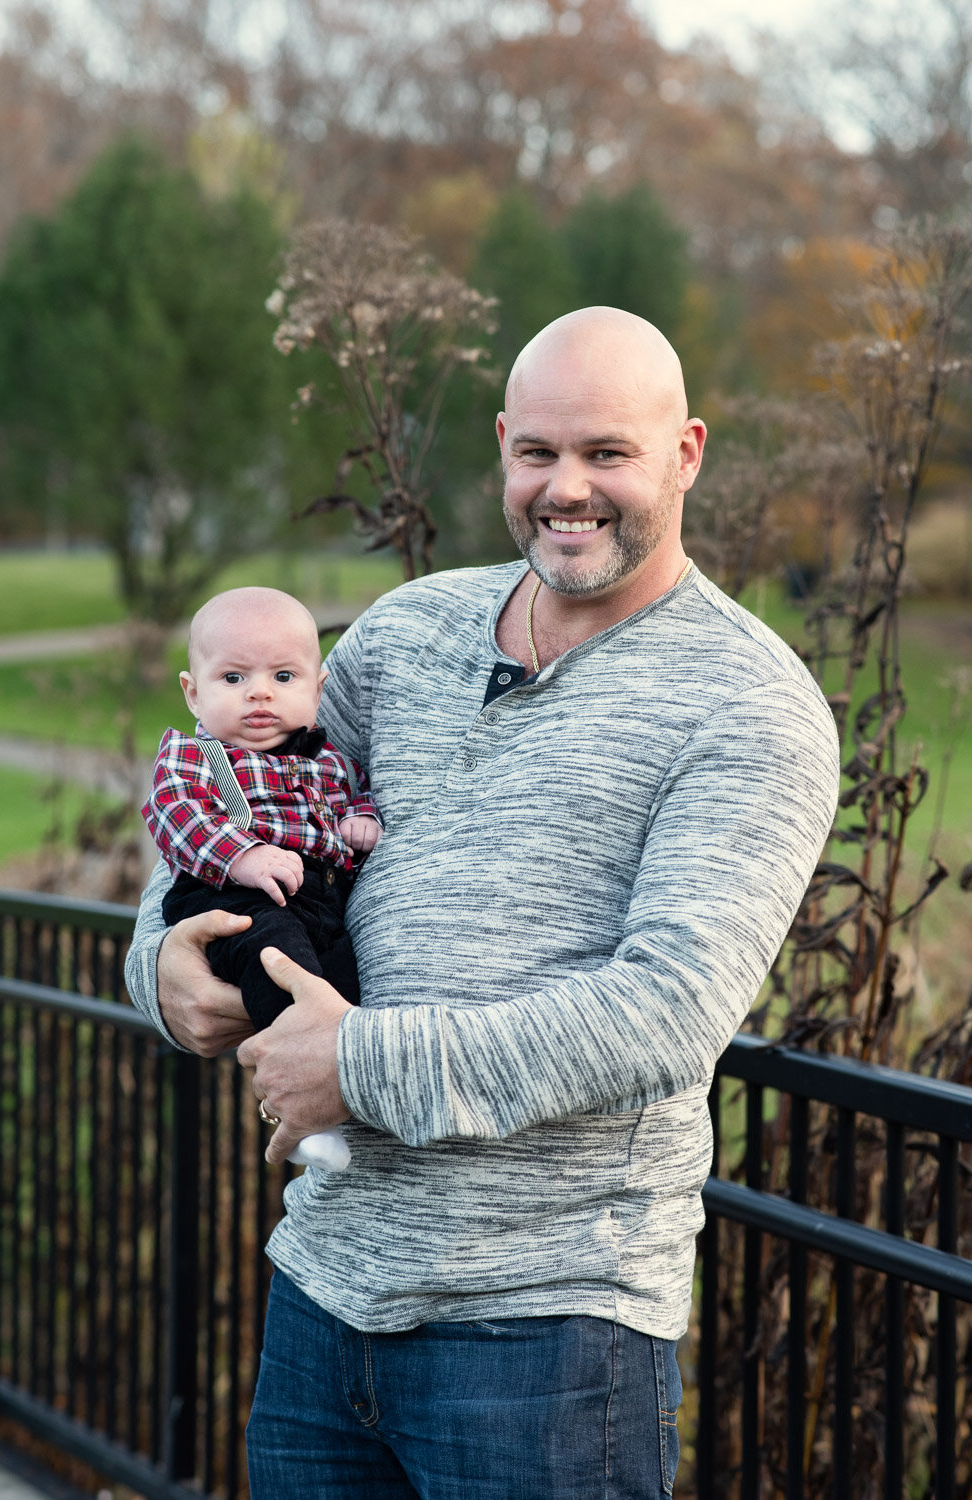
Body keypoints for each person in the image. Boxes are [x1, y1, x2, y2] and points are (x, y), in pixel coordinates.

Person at [125, 307, 841, 1500]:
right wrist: (161, 968)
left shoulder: (747, 707)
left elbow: (663, 1012)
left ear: (685, 454)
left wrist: (359, 1067)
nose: (567, 489)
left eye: (606, 453)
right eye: (538, 453)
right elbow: (223, 818)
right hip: (322, 1293)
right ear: (502, 446)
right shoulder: (402, 635)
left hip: (546, 1345)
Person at [141, 586, 382, 1031]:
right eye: (234, 678)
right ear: (193, 694)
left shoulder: (330, 763)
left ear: (318, 689)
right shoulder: (195, 757)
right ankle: (299, 1042)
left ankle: (339, 1054)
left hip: (322, 906)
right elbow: (175, 813)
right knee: (278, 961)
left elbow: (359, 790)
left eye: (284, 677)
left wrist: (359, 817)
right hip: (238, 900)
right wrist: (243, 856)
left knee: (347, 983)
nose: (260, 694)